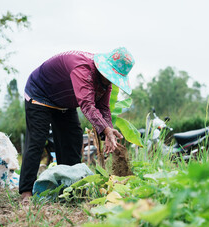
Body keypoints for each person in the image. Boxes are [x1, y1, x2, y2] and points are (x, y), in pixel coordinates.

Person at [19, 47, 135, 201]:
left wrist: (109, 131)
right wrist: (105, 129)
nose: (111, 80)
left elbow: (104, 108)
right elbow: (87, 105)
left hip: (63, 102)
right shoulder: (84, 69)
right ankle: (26, 191)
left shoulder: (106, 83)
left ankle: (70, 187)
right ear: (104, 68)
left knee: (73, 139)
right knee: (38, 139)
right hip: (40, 93)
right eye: (110, 75)